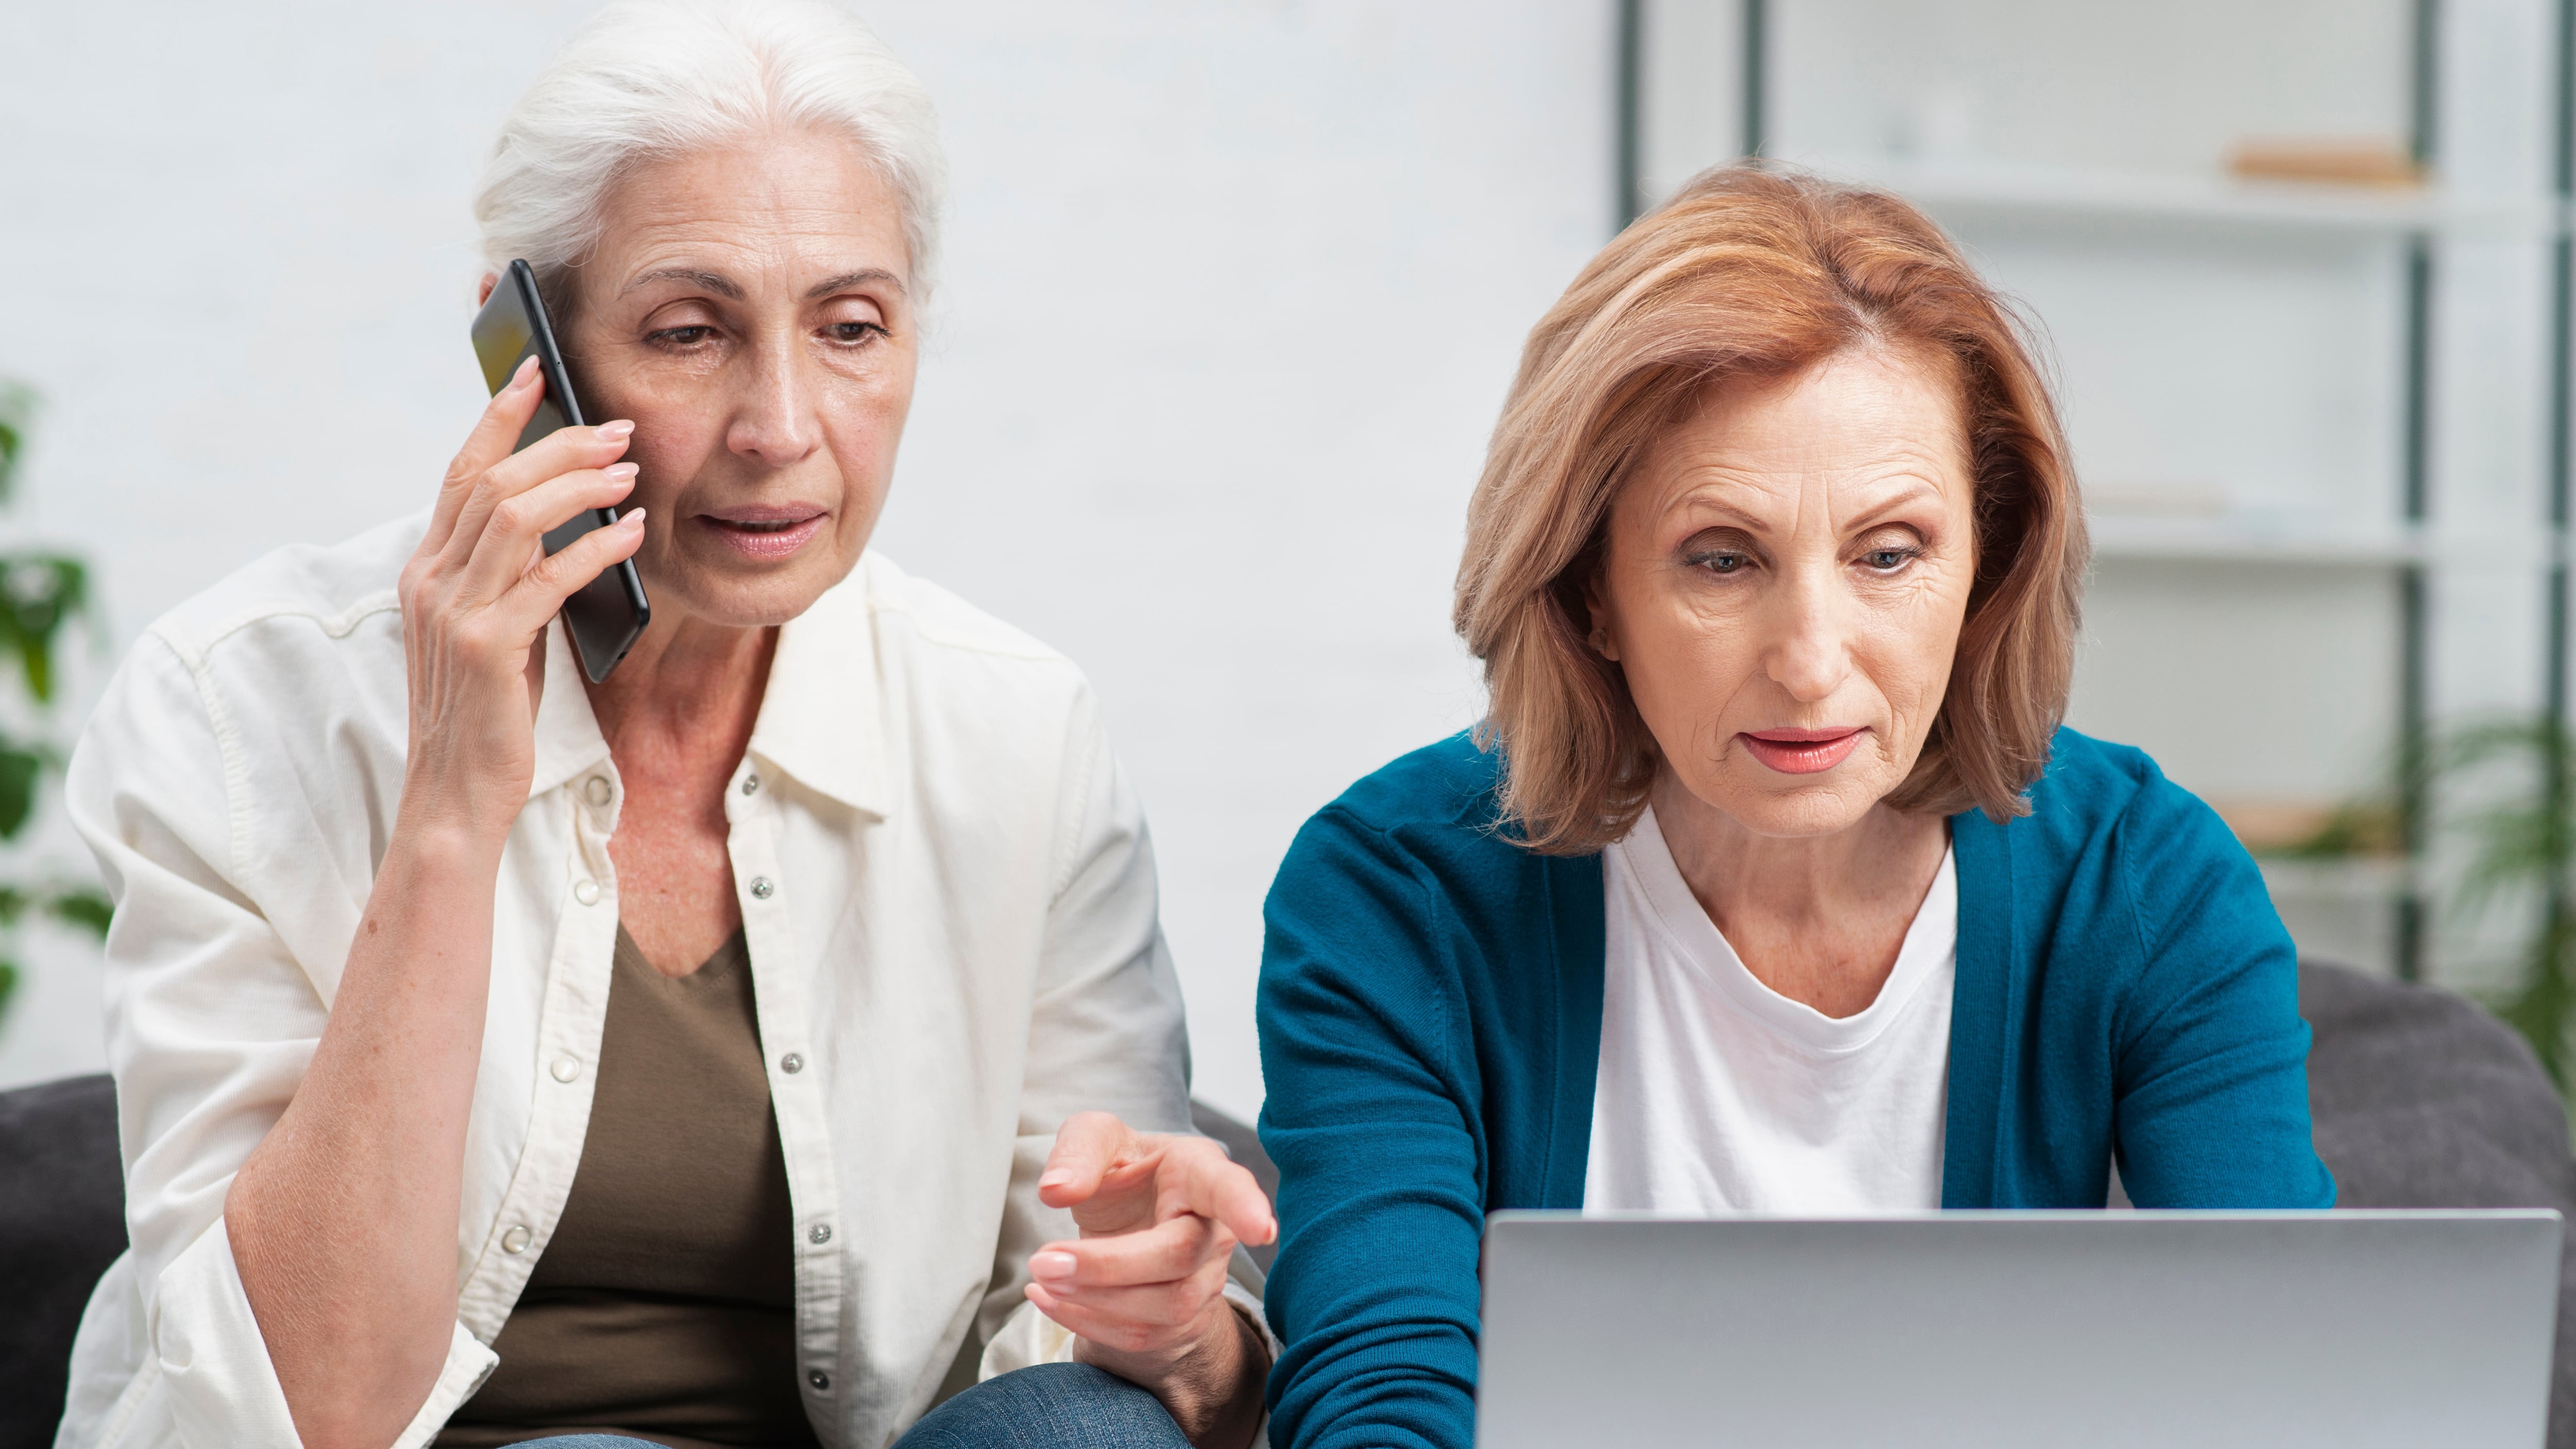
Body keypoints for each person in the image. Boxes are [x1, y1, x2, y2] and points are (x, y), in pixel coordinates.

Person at [55, 3, 1273, 1447]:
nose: (781, 423)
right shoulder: (239, 701)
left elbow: (1087, 1340)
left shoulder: (1017, 732)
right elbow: (302, 1409)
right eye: (690, 332)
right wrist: (453, 802)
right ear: (530, 357)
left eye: (851, 328)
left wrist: (1179, 1325)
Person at [1253, 165, 2337, 1449]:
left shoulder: (2145, 881)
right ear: (1589, 588)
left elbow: (2291, 1394)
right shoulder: (1397, 892)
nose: (1812, 661)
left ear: (1984, 562)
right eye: (1722, 559)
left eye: (1889, 555)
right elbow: (1379, 1392)